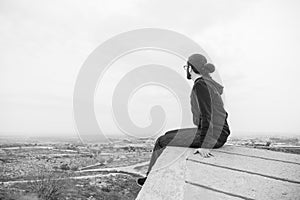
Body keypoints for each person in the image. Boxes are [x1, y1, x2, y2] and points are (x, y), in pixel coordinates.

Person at [136, 53, 231, 186]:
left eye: (186, 66)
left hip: (215, 135)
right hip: (218, 132)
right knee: (168, 135)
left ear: (191, 68)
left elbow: (206, 115)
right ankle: (151, 176)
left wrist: (205, 145)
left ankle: (150, 179)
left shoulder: (201, 85)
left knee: (161, 141)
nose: (186, 69)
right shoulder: (206, 83)